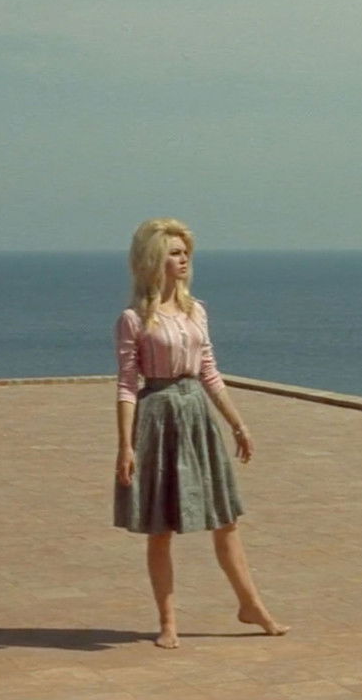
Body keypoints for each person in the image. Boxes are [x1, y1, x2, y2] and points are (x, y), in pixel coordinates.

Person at [113, 217, 289, 649]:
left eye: (186, 252)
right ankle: (168, 622)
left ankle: (252, 606)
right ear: (154, 260)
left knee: (226, 520)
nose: (184, 259)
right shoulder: (134, 319)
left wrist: (238, 423)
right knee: (160, 528)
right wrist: (125, 445)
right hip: (157, 418)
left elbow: (209, 371)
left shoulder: (197, 311)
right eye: (174, 253)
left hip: (197, 416)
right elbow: (126, 384)